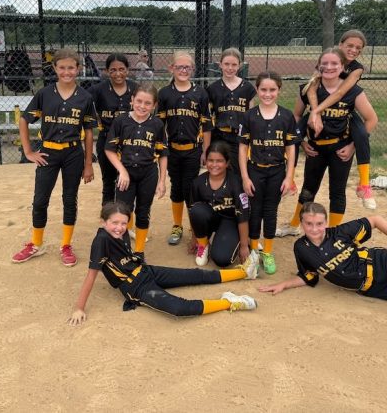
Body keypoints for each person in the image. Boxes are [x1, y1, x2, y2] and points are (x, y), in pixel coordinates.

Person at [68, 202, 259, 324]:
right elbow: (91, 275)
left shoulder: (122, 233)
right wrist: (79, 308)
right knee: (179, 308)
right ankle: (228, 302)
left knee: (193, 275)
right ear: (103, 222)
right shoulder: (101, 241)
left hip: (145, 271)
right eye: (114, 223)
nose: (120, 227)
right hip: (135, 288)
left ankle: (244, 272)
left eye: (124, 223)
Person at [276, 47, 378, 238]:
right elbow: (297, 116)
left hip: (341, 149)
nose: (329, 67)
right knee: (308, 190)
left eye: (334, 63)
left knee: (337, 192)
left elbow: (371, 119)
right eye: (325, 63)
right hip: (315, 149)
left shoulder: (353, 91)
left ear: (342, 67)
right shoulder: (308, 89)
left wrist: (352, 146)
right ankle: (294, 225)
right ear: (318, 66)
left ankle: (334, 233)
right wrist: (302, 142)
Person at [12, 48, 96, 266]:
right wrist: (28, 151)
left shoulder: (85, 97)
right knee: (40, 200)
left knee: (69, 199)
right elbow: (24, 119)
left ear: (78, 69)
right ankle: (35, 243)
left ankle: (66, 245)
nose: (67, 72)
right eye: (62, 67)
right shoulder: (45, 93)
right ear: (55, 68)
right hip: (48, 152)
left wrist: (88, 164)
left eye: (71, 67)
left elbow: (88, 132)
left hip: (73, 153)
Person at [305, 30, 376, 209]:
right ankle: (288, 178)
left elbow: (340, 92)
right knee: (296, 127)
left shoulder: (357, 68)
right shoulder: (329, 59)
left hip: (345, 110)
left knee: (361, 134)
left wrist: (352, 146)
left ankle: (365, 185)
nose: (354, 50)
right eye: (350, 45)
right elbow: (312, 86)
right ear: (340, 44)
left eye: (358, 48)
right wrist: (315, 112)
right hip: (322, 113)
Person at [259, 202, 387, 301]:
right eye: (309, 223)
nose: (314, 229)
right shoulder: (302, 248)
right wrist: (283, 285)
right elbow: (308, 276)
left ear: (326, 223)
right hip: (372, 288)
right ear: (301, 223)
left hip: (379, 263)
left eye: (319, 224)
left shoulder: (340, 233)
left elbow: (375, 220)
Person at [238, 71, 300, 275]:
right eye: (263, 89)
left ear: (279, 90)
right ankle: (254, 251)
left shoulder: (286, 116)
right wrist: (245, 177)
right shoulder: (249, 116)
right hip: (255, 170)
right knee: (254, 211)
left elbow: (291, 148)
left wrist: (289, 177)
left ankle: (268, 251)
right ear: (257, 90)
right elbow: (242, 148)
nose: (267, 94)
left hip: (277, 171)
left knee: (270, 212)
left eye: (272, 89)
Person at [105, 83, 167, 258]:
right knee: (123, 211)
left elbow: (163, 154)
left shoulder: (157, 124)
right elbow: (109, 149)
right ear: (132, 100)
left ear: (154, 105)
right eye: (139, 101)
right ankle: (123, 250)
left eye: (148, 103)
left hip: (148, 173)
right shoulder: (121, 121)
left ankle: (139, 252)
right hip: (127, 172)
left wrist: (162, 181)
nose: (142, 106)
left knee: (143, 211)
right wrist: (122, 171)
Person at [157, 51, 212, 246]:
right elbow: (159, 125)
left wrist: (205, 151)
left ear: (193, 69)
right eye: (179, 67)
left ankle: (194, 228)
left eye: (187, 67)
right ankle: (177, 225)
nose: (183, 70)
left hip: (192, 150)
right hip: (172, 150)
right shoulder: (164, 93)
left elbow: (206, 125)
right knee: (176, 187)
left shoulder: (200, 93)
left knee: (190, 187)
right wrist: (160, 149)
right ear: (171, 68)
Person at [189, 141, 253, 269]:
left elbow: (243, 217)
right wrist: (195, 237)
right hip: (210, 219)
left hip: (230, 221)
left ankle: (231, 239)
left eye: (219, 161)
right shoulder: (198, 183)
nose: (214, 165)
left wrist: (244, 245)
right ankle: (203, 245)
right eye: (210, 160)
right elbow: (193, 213)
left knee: (222, 259)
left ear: (227, 163)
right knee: (196, 210)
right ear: (206, 161)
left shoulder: (236, 183)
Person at [88, 53, 137, 204]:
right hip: (106, 141)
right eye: (113, 70)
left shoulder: (136, 89)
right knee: (108, 182)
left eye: (121, 69)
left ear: (127, 70)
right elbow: (82, 104)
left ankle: (125, 215)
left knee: (127, 182)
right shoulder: (98, 90)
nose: (118, 73)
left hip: (130, 143)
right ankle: (108, 215)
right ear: (106, 71)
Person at [207, 47, 256, 174]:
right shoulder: (212, 89)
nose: (230, 68)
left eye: (234, 65)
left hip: (239, 137)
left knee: (237, 172)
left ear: (240, 66)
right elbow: (209, 116)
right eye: (226, 64)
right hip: (219, 136)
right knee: (219, 171)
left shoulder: (247, 88)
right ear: (220, 65)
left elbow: (251, 117)